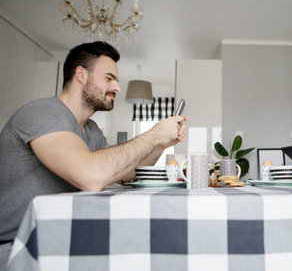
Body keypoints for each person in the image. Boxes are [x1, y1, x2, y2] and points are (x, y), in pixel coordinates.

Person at [0, 41, 187, 267]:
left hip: (56, 235)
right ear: (81, 74)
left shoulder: (91, 129)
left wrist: (163, 143)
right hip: (17, 246)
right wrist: (154, 135)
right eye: (109, 78)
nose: (117, 87)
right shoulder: (43, 112)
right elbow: (90, 175)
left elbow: (126, 173)